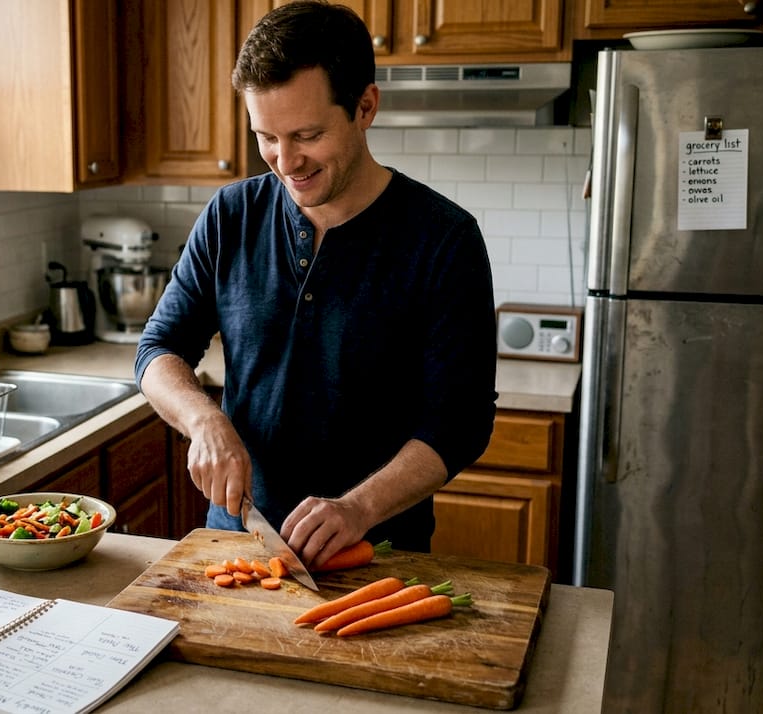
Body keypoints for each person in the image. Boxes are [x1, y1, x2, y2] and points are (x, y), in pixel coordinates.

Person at [134, 0, 497, 568]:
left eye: (307, 134)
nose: (285, 161)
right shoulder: (232, 215)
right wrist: (204, 418)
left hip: (375, 555)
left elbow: (460, 423)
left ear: (365, 107)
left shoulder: (444, 239)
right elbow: (158, 349)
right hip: (237, 544)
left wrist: (356, 508)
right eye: (266, 137)